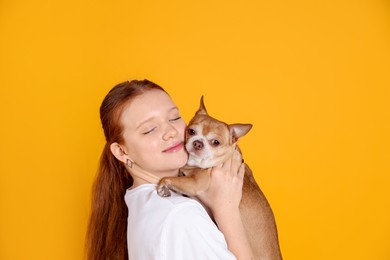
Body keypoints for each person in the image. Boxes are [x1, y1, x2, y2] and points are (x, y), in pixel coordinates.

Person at [86, 79, 254, 260]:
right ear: (121, 152)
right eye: (149, 129)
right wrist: (226, 209)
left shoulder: (142, 203)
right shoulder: (180, 216)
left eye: (174, 118)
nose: (171, 132)